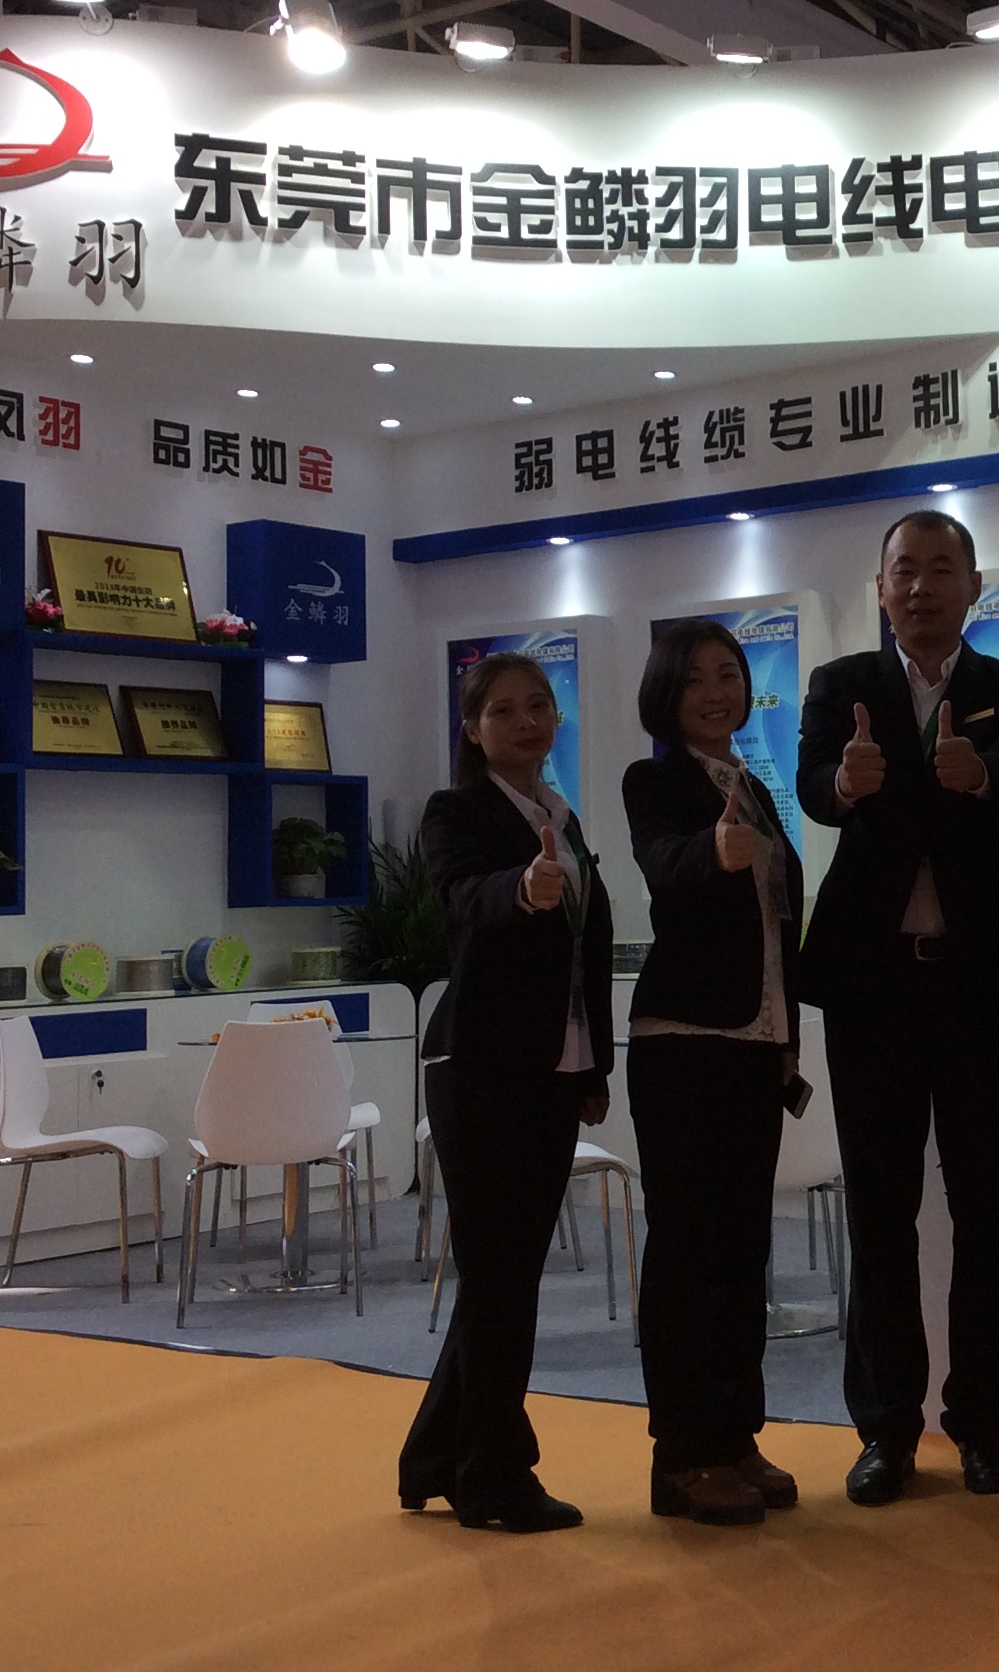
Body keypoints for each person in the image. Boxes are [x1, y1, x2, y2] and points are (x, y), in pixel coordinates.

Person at [796, 509, 999, 1506]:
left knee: (986, 1214)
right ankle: (885, 1429)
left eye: (943, 569)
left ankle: (982, 1425)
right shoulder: (841, 685)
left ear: (974, 586)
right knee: (880, 1213)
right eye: (906, 569)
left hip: (981, 986)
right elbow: (812, 784)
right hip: (874, 988)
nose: (923, 586)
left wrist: (982, 774)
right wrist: (840, 783)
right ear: (881, 586)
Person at [400, 651, 613, 1534]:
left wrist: (593, 1069)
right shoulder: (456, 811)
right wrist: (521, 890)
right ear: (472, 729)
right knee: (500, 1280)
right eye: (503, 711)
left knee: (506, 1275)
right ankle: (494, 1475)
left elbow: (586, 953)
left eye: (539, 706)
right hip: (480, 1067)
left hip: (552, 1071)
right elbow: (463, 896)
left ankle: (435, 1457)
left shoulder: (561, 814)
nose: (526, 722)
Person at [620, 619, 806, 1527]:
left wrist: (786, 1039)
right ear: (666, 692)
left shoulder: (753, 787)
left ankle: (734, 1437)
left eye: (728, 674)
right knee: (688, 1255)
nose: (716, 692)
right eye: (695, 678)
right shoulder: (653, 779)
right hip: (684, 1042)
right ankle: (683, 1454)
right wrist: (711, 853)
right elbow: (665, 861)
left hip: (754, 1042)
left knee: (741, 1252)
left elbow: (775, 921)